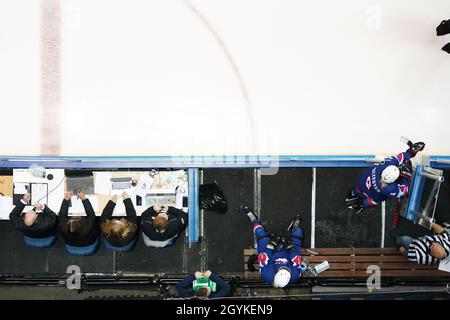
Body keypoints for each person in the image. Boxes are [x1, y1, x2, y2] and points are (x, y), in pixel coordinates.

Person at [345, 141, 425, 214]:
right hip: (372, 193)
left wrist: (410, 153)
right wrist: (406, 177)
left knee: (359, 188)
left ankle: (353, 193)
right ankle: (362, 205)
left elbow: (400, 157)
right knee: (376, 199)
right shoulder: (388, 189)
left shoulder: (385, 166)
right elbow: (403, 191)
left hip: (363, 181)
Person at [243, 206, 304, 288]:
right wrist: (289, 246)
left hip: (270, 252)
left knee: (259, 232)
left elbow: (263, 256)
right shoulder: (295, 276)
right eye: (287, 269)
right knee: (298, 232)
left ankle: (254, 220)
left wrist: (271, 245)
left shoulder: (267, 275)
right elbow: (296, 256)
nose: (284, 267)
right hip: (287, 252)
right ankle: (294, 227)